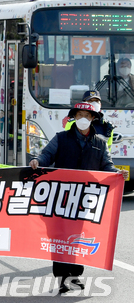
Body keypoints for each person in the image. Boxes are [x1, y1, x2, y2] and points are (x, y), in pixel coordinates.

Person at [29, 102, 126, 293]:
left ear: (93, 119)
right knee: (59, 237)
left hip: (85, 199)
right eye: (80, 115)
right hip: (60, 198)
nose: (83, 119)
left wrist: (117, 173)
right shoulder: (61, 138)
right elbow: (46, 155)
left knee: (79, 238)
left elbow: (107, 165)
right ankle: (62, 277)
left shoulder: (100, 142)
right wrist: (37, 161)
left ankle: (75, 275)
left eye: (87, 116)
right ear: (74, 117)